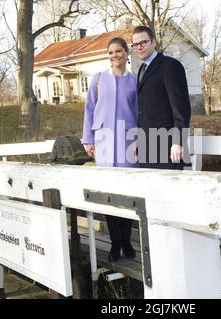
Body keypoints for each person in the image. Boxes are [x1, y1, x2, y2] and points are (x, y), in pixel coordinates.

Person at [82, 37, 138, 262]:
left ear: (126, 53)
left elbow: (139, 113)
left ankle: (126, 240)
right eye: (111, 53)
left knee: (127, 194)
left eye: (118, 51)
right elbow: (89, 110)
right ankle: (116, 244)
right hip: (104, 144)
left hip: (128, 144)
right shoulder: (98, 80)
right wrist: (89, 139)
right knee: (109, 196)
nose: (114, 56)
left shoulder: (134, 82)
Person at [131, 26, 191, 170]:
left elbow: (181, 109)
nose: (139, 47)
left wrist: (178, 142)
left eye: (143, 42)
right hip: (147, 147)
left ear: (154, 42)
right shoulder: (141, 70)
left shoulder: (170, 66)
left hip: (168, 147)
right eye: (135, 44)